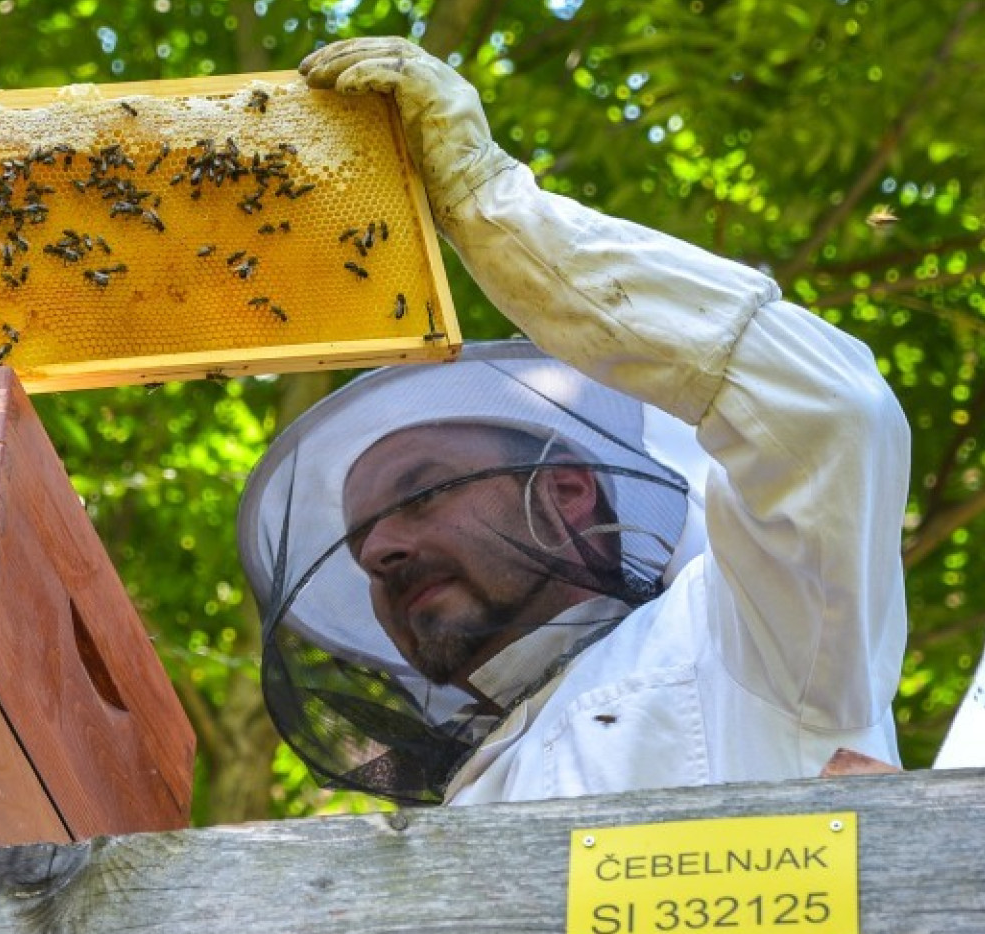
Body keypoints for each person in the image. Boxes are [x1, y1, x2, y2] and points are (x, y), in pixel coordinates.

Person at [235, 37, 911, 806]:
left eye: (418, 496)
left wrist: (496, 213)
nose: (381, 551)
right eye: (359, 546)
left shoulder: (749, 636)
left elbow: (824, 414)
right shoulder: (469, 801)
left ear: (566, 493)